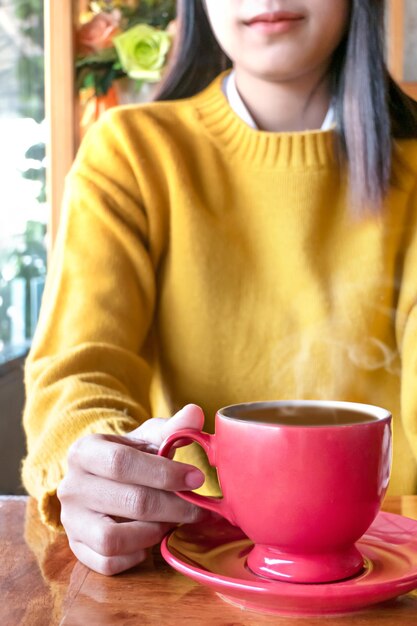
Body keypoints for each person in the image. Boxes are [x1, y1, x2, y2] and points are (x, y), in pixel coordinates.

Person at [22, 0, 417, 576]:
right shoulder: (131, 152)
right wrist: (99, 465)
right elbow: (78, 370)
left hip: (393, 566)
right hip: (177, 559)